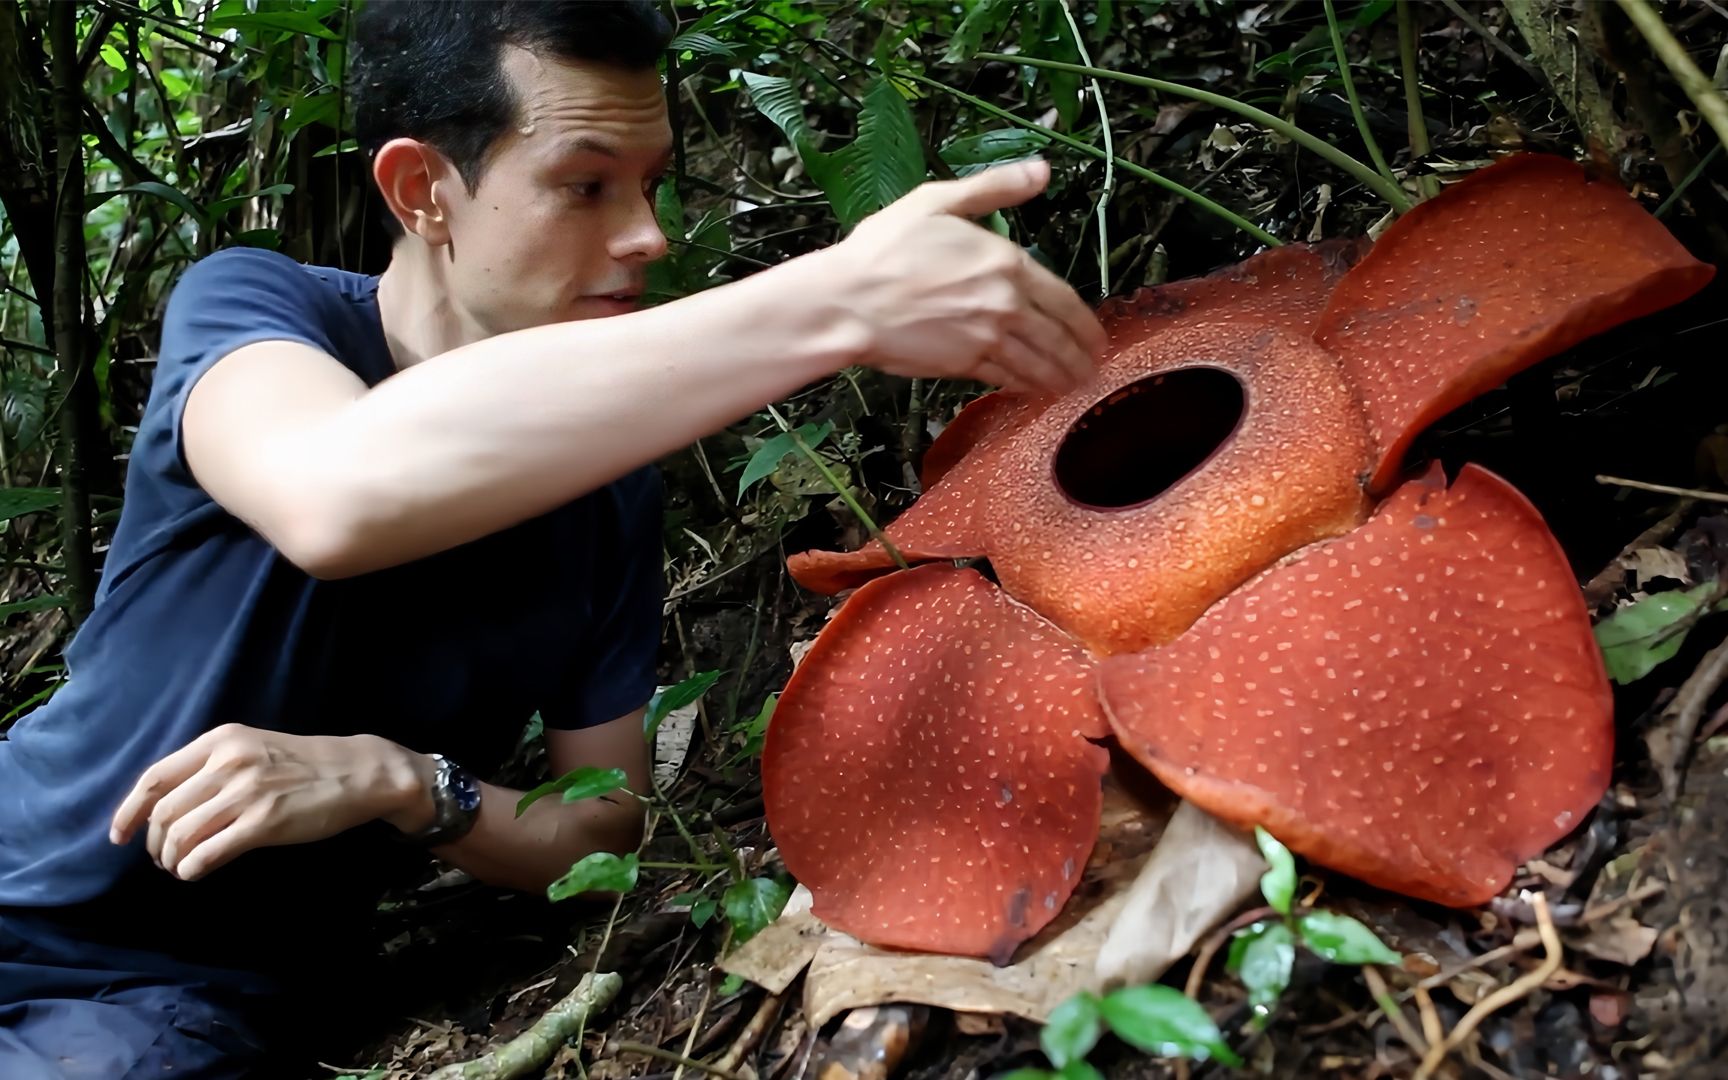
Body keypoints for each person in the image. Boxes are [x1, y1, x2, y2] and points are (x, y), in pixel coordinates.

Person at [0, 1, 1106, 1076]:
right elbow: (332, 495)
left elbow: (603, 828)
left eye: (651, 184)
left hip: (161, 994)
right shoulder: (258, 310)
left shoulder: (606, 487)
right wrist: (836, 303)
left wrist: (405, 784)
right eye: (584, 185)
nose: (647, 235)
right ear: (421, 189)